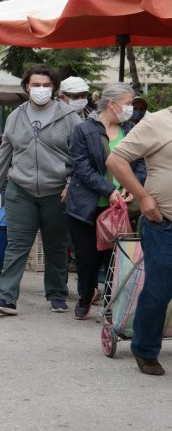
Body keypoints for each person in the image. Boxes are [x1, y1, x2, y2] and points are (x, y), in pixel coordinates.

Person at [0, 65, 81, 316]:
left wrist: (72, 185)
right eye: (35, 85)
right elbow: (6, 151)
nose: (40, 89)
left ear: (53, 87)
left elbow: (80, 155)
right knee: (16, 245)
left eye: (45, 85)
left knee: (56, 245)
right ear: (27, 86)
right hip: (21, 189)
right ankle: (5, 297)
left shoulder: (69, 116)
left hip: (57, 191)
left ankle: (57, 293)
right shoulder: (16, 116)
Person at [66, 83, 146, 320]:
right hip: (87, 207)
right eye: (128, 103)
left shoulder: (131, 130)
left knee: (116, 258)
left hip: (120, 208)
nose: (131, 108)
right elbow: (81, 167)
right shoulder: (84, 130)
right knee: (88, 258)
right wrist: (109, 189)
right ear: (113, 104)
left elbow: (141, 164)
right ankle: (86, 294)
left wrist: (132, 187)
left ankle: (112, 303)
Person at [107, 107, 172, 376]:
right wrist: (143, 197)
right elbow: (116, 160)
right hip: (164, 223)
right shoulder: (158, 122)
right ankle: (144, 349)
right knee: (160, 289)